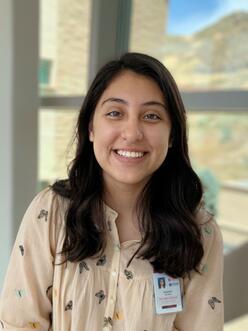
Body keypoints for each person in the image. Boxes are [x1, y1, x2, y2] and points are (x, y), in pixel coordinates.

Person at [0, 52, 224, 330]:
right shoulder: (51, 212)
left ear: (173, 135)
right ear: (91, 127)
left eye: (151, 116)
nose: (132, 133)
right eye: (115, 113)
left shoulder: (200, 232)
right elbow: (20, 323)